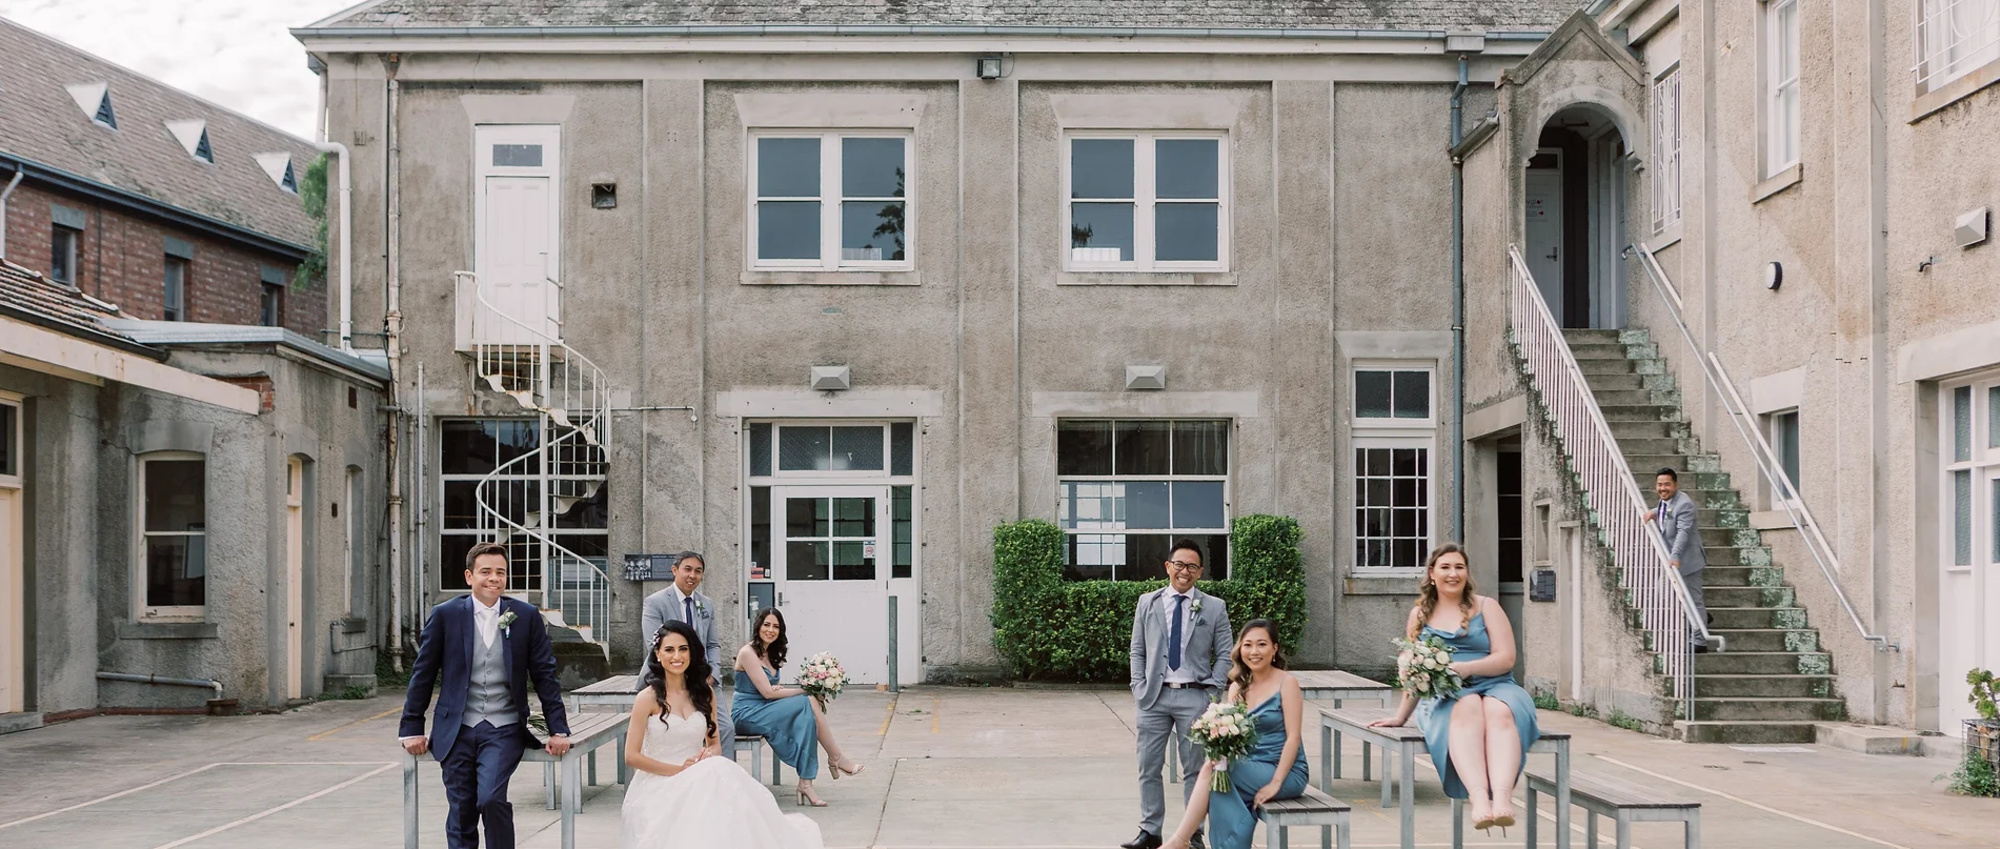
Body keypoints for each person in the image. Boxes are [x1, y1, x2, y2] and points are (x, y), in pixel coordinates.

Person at [398, 542, 572, 849]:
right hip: (456, 729)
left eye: (501, 572)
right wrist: (412, 727)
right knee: (462, 809)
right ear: (469, 576)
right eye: (486, 572)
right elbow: (422, 674)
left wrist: (558, 728)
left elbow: (545, 675)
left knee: (491, 798)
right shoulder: (445, 615)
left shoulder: (525, 616)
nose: (494, 578)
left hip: (504, 728)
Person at [1370, 544, 1539, 835]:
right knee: (1469, 706)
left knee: (1500, 711)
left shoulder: (1486, 606)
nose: (1453, 573)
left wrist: (1467, 668)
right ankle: (1478, 801)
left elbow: (1506, 658)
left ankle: (1502, 797)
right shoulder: (1419, 615)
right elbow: (1416, 673)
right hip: (1447, 695)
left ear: (1467, 572)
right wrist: (1400, 717)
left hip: (1497, 685)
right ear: (1432, 574)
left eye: (1459, 567)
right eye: (1445, 567)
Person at [620, 620, 825, 849]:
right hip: (659, 781)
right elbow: (631, 756)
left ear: (691, 653)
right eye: (669, 650)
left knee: (724, 783)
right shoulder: (647, 698)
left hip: (698, 773)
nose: (677, 656)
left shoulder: (704, 693)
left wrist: (708, 755)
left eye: (683, 649)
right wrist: (679, 771)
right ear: (658, 654)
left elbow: (715, 743)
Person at [1124, 539, 1233, 849]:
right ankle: (1150, 830)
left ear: (1200, 573)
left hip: (1195, 696)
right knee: (1148, 765)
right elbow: (1138, 649)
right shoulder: (1148, 601)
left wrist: (1214, 689)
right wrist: (1138, 685)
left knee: (1195, 769)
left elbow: (1225, 652)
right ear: (1168, 567)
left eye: (1192, 567)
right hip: (1153, 697)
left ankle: (1193, 833)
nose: (1185, 571)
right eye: (1179, 565)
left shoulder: (1214, 606)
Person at [1161, 620, 1308, 849]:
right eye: (1247, 645)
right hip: (1249, 765)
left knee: (1216, 772)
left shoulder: (1287, 683)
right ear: (1240, 649)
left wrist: (1275, 784)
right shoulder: (1238, 687)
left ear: (1274, 648)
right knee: (1217, 771)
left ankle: (1180, 841)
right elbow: (1236, 737)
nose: (1254, 651)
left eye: (1262, 644)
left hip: (1286, 771)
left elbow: (1294, 738)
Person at [733, 607, 864, 807]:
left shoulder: (771, 653)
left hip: (765, 708)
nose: (770, 630)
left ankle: (807, 781)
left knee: (806, 714)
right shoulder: (747, 653)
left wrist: (785, 691)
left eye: (775, 626)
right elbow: (768, 693)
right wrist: (805, 690)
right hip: (746, 714)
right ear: (758, 626)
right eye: (766, 625)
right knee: (809, 701)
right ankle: (834, 759)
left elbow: (770, 691)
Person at [641, 551, 735, 750]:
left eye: (698, 571)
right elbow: (654, 645)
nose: (692, 575)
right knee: (668, 730)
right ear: (674, 570)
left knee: (725, 729)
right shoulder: (655, 602)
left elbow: (712, 644)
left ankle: (719, 777)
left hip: (703, 679)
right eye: (688, 569)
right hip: (668, 677)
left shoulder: (706, 604)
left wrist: (713, 674)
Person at [1642, 467, 1711, 651]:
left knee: (1685, 600)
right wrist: (1654, 511)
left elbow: (1683, 532)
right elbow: (1667, 511)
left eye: (1667, 484)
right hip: (1675, 562)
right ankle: (1701, 619)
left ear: (1676, 485)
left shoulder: (1685, 504)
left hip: (1686, 561)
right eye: (1659, 484)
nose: (1662, 488)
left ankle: (1700, 641)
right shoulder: (1668, 502)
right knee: (1666, 597)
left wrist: (1675, 556)